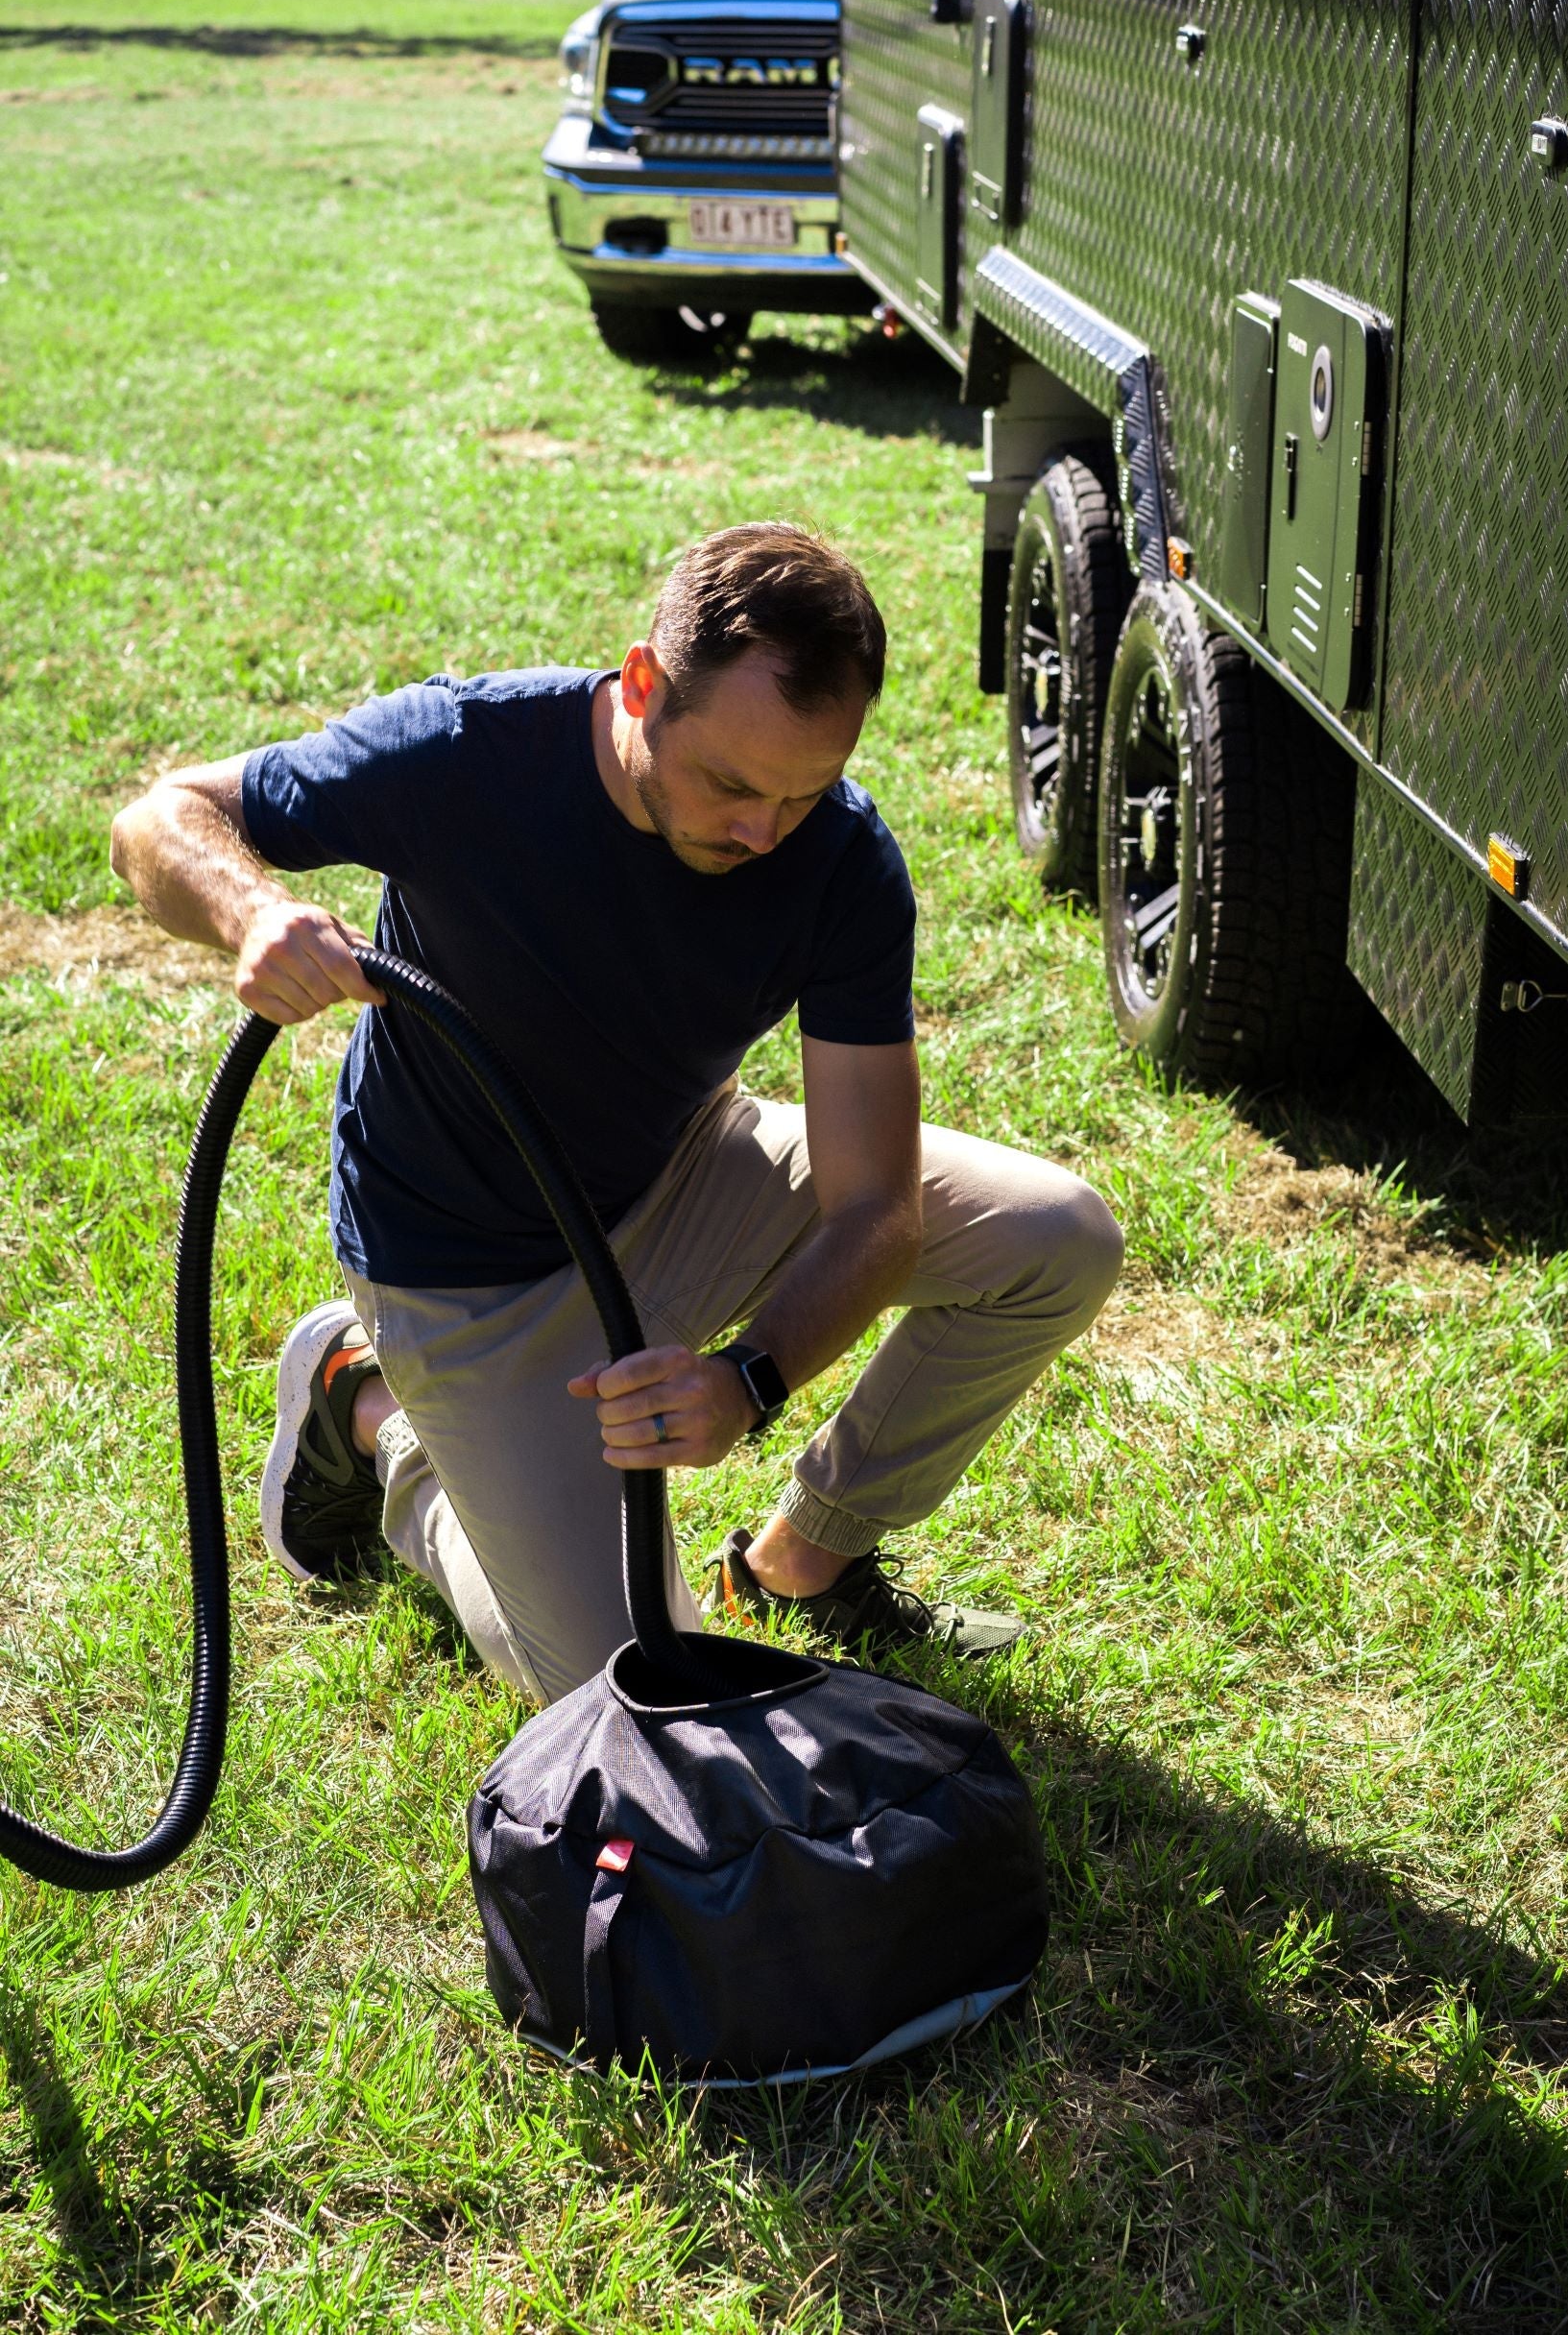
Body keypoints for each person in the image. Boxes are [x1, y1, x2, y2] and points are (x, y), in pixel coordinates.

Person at [110, 523, 1122, 1707]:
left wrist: (748, 1381)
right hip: (466, 1279)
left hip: (685, 1174)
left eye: (803, 793)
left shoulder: (840, 861)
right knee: (638, 1687)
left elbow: (873, 1209)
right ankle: (380, 1417)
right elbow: (159, 821)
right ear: (640, 683)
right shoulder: (467, 754)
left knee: (1057, 1240)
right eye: (732, 785)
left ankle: (803, 1563)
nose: (762, 833)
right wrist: (250, 915)